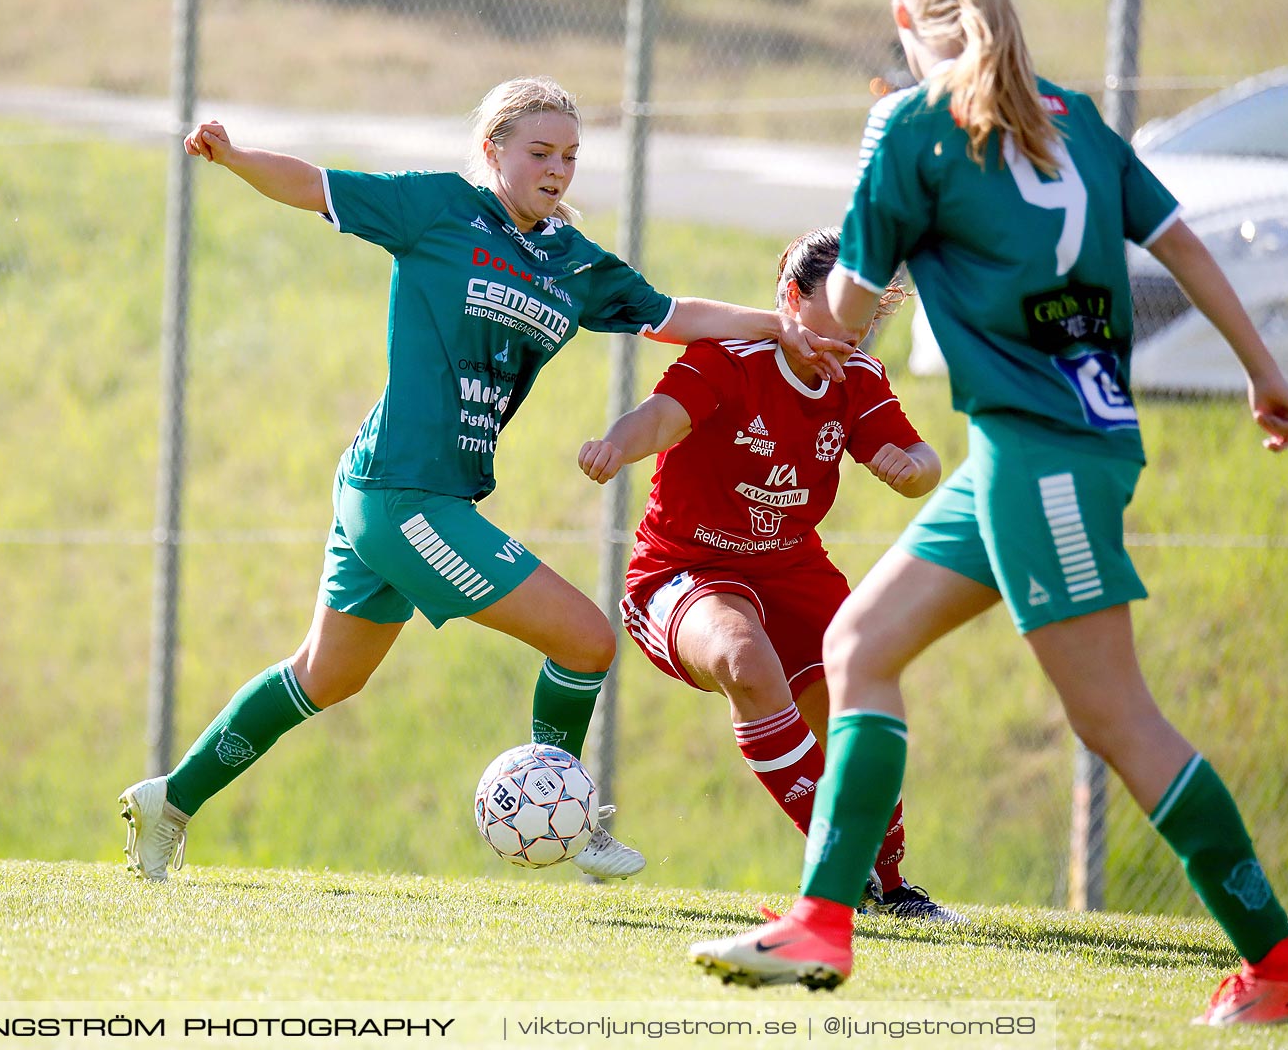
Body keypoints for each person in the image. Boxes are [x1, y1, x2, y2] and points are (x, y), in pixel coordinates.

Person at [687, 0, 1288, 1028]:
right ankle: (824, 924)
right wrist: (1267, 370)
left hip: (1044, 458)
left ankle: (1279, 961)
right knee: (859, 645)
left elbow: (843, 319)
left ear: (902, 16)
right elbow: (1178, 240)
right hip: (1030, 451)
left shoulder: (908, 127)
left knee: (1118, 721)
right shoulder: (1073, 118)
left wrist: (831, 287)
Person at [118, 76, 855, 885]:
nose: (557, 169)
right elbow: (316, 185)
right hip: (403, 492)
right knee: (586, 639)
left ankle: (170, 802)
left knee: (328, 674)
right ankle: (570, 819)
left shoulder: (569, 260)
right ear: (491, 149)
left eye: (570, 156)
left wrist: (775, 324)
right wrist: (233, 156)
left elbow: (667, 313)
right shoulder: (438, 209)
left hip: (407, 491)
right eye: (539, 152)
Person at [578, 228, 958, 921]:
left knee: (860, 697)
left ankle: (892, 887)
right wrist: (615, 445)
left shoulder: (859, 380)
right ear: (792, 297)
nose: (856, 331)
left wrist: (915, 469)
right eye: (843, 308)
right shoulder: (730, 357)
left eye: (870, 315)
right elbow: (661, 417)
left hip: (792, 569)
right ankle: (841, 870)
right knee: (742, 656)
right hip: (684, 568)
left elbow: (919, 457)